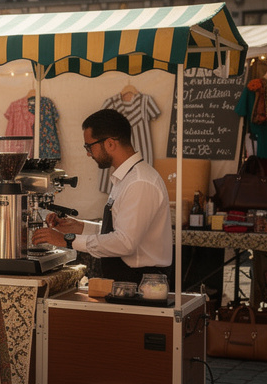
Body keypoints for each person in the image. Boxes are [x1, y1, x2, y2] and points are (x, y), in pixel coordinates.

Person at [32, 108, 173, 284]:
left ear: (110, 144)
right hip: (128, 279)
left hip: (142, 283)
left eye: (89, 146)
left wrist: (67, 240)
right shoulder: (126, 178)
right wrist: (79, 227)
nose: (88, 153)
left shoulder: (139, 182)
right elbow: (119, 231)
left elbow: (124, 243)